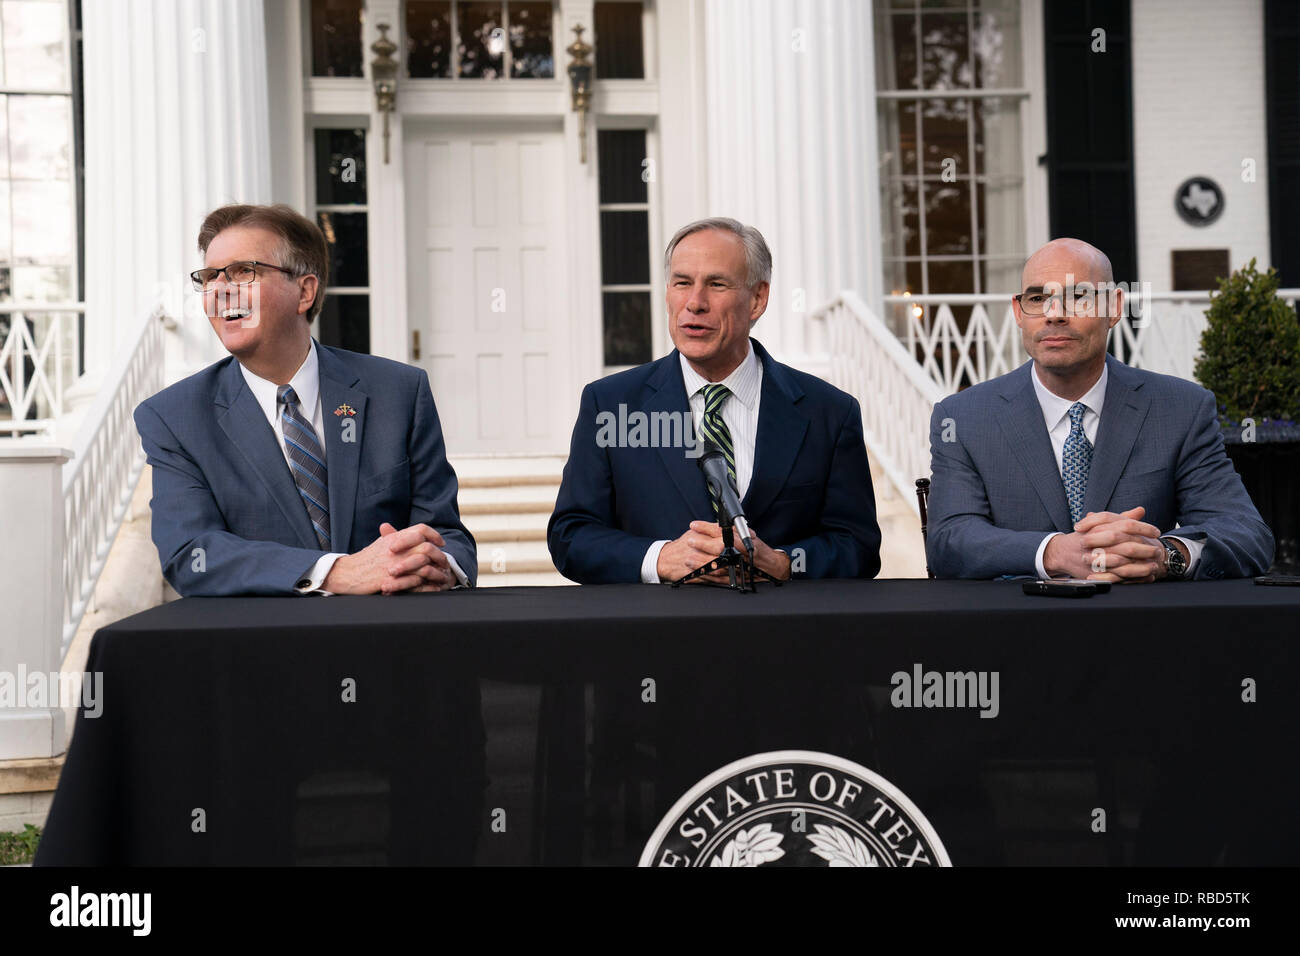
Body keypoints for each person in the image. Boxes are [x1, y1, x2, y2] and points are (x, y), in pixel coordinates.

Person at [134, 203, 475, 596]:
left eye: (244, 271)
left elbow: (446, 532)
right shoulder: (174, 417)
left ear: (305, 291)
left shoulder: (399, 392)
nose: (221, 289)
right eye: (210, 277)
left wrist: (439, 567)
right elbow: (192, 554)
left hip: (392, 638)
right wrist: (335, 572)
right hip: (267, 649)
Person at [548, 217, 881, 584]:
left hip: (783, 636)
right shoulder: (610, 405)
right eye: (682, 283)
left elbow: (859, 546)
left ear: (757, 299)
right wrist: (659, 559)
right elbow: (571, 536)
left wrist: (784, 563)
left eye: (716, 284)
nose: (694, 303)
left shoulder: (829, 412)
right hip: (656, 636)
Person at [926, 237, 1273, 581]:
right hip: (1016, 630)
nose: (1054, 314)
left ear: (1114, 307)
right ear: (1019, 312)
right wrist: (1053, 552)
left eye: (1077, 297)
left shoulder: (1180, 409)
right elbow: (948, 542)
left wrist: (1164, 555)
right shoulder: (963, 418)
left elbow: (1245, 535)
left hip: (1139, 626)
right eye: (1037, 298)